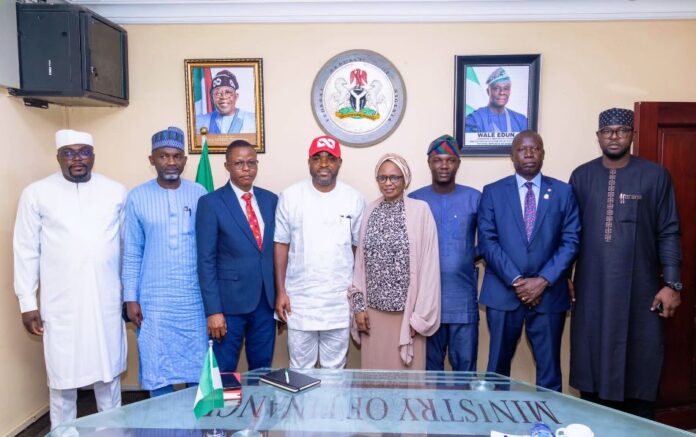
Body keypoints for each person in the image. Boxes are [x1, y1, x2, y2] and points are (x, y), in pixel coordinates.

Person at [569, 108, 682, 418]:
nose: (614, 136)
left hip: (642, 291)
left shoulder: (656, 175)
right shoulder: (582, 176)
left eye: (621, 130)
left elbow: (669, 231)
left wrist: (672, 284)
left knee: (640, 364)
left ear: (633, 134)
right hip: (591, 288)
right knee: (591, 364)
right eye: (608, 131)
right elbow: (570, 233)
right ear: (598, 137)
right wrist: (565, 275)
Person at [13, 129, 127, 430]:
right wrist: (27, 302)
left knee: (109, 375)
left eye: (83, 152)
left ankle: (112, 431)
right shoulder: (36, 193)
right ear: (58, 157)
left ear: (93, 155)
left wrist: (129, 295)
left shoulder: (115, 191)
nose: (77, 159)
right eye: (69, 153)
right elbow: (25, 250)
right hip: (60, 303)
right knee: (63, 381)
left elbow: (128, 248)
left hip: (106, 300)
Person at [477, 130, 580, 391]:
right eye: (522, 149)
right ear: (512, 155)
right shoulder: (492, 192)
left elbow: (571, 242)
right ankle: (497, 427)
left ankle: (546, 428)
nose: (529, 153)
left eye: (535, 148)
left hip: (549, 295)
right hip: (502, 293)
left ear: (543, 153)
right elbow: (488, 242)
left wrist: (543, 281)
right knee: (497, 369)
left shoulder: (563, 192)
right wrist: (518, 281)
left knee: (549, 371)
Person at [122, 126, 208, 397]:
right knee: (158, 367)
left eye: (177, 156)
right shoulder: (137, 197)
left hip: (193, 299)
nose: (171, 162)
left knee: (198, 368)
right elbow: (132, 251)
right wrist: (130, 298)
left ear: (184, 160)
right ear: (152, 160)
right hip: (154, 301)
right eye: (163, 156)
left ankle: (198, 427)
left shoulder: (199, 193)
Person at [274, 135, 364, 369]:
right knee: (300, 369)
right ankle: (302, 409)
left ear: (339, 163)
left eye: (330, 158)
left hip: (337, 302)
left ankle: (333, 408)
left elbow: (358, 249)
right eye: (317, 158)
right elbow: (281, 245)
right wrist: (281, 291)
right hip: (300, 301)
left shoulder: (353, 198)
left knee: (335, 370)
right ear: (309, 162)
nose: (324, 164)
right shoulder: (290, 196)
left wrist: (356, 298)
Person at [349, 154, 441, 370]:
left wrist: (420, 317)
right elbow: (360, 264)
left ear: (405, 179)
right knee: (376, 381)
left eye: (394, 177)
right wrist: (359, 307)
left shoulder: (420, 210)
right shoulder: (370, 210)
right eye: (382, 178)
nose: (388, 183)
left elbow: (429, 267)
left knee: (406, 385)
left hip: (408, 317)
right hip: (374, 316)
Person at [196, 140, 277, 371]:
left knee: (262, 369)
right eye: (239, 163)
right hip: (228, 306)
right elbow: (206, 260)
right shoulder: (211, 203)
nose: (246, 168)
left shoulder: (270, 200)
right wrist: (213, 311)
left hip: (265, 302)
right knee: (224, 370)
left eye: (251, 163)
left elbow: (275, 252)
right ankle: (224, 410)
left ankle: (259, 407)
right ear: (227, 166)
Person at [409, 135, 481, 371]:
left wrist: (467, 255)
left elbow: (490, 240)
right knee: (429, 373)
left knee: (465, 371)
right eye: (438, 160)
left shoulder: (474, 198)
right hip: (427, 304)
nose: (444, 166)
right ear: (429, 163)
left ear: (458, 164)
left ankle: (462, 410)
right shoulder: (415, 200)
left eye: (450, 160)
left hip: (462, 301)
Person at [465, 67, 528, 133]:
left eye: (506, 88)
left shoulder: (521, 121)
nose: (502, 92)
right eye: (496, 88)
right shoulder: (475, 120)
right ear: (488, 91)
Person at [195, 70, 256, 134]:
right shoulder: (198, 122)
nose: (223, 96)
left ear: (236, 96)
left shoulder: (253, 121)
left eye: (228, 92)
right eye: (218, 93)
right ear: (211, 98)